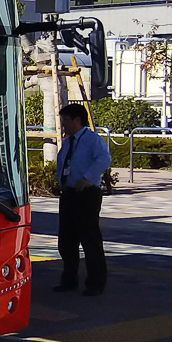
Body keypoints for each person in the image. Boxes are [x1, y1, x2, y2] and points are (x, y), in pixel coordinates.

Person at [53, 102, 112, 296]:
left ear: (77, 120)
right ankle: (69, 280)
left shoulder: (92, 140)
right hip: (69, 193)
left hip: (86, 194)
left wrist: (86, 178)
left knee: (89, 239)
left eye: (65, 120)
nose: (63, 124)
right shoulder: (68, 142)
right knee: (67, 240)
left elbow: (104, 159)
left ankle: (95, 283)